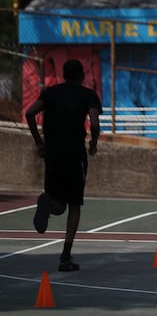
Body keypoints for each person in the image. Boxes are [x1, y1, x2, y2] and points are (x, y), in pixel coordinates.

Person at [25, 58, 103, 271]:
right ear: (82, 76)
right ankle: (65, 256)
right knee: (74, 205)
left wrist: (39, 142)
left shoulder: (50, 93)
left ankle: (47, 205)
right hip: (74, 155)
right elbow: (94, 123)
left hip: (52, 153)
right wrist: (93, 143)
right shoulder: (88, 94)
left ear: (63, 74)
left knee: (58, 205)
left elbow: (30, 113)